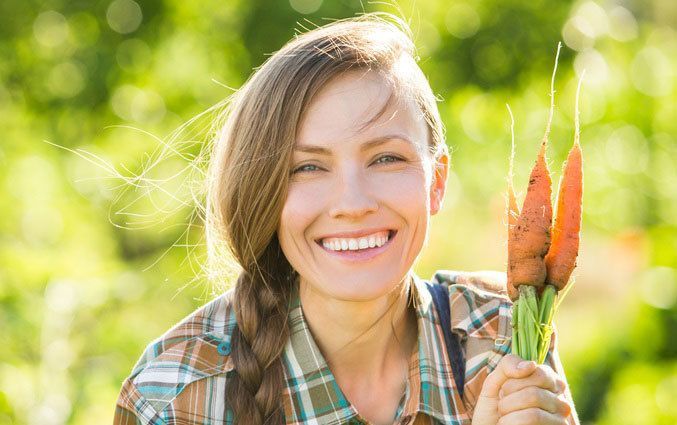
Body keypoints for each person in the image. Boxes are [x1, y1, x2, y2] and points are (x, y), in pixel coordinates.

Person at [114, 13, 579, 425]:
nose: (352, 203)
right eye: (308, 167)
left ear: (436, 182)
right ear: (262, 191)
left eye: (386, 159)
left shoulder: (506, 334)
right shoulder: (177, 395)